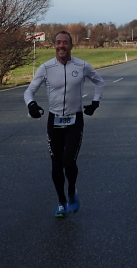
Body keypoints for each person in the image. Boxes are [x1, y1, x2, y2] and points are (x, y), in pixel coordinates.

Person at [24, 30, 105, 218]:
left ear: (71, 45)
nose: (61, 46)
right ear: (54, 45)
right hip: (54, 120)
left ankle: (72, 191)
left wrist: (95, 102)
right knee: (56, 164)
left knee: (69, 162)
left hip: (75, 120)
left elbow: (99, 82)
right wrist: (32, 105)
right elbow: (29, 91)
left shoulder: (82, 66)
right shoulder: (46, 68)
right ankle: (61, 201)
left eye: (65, 42)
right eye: (58, 42)